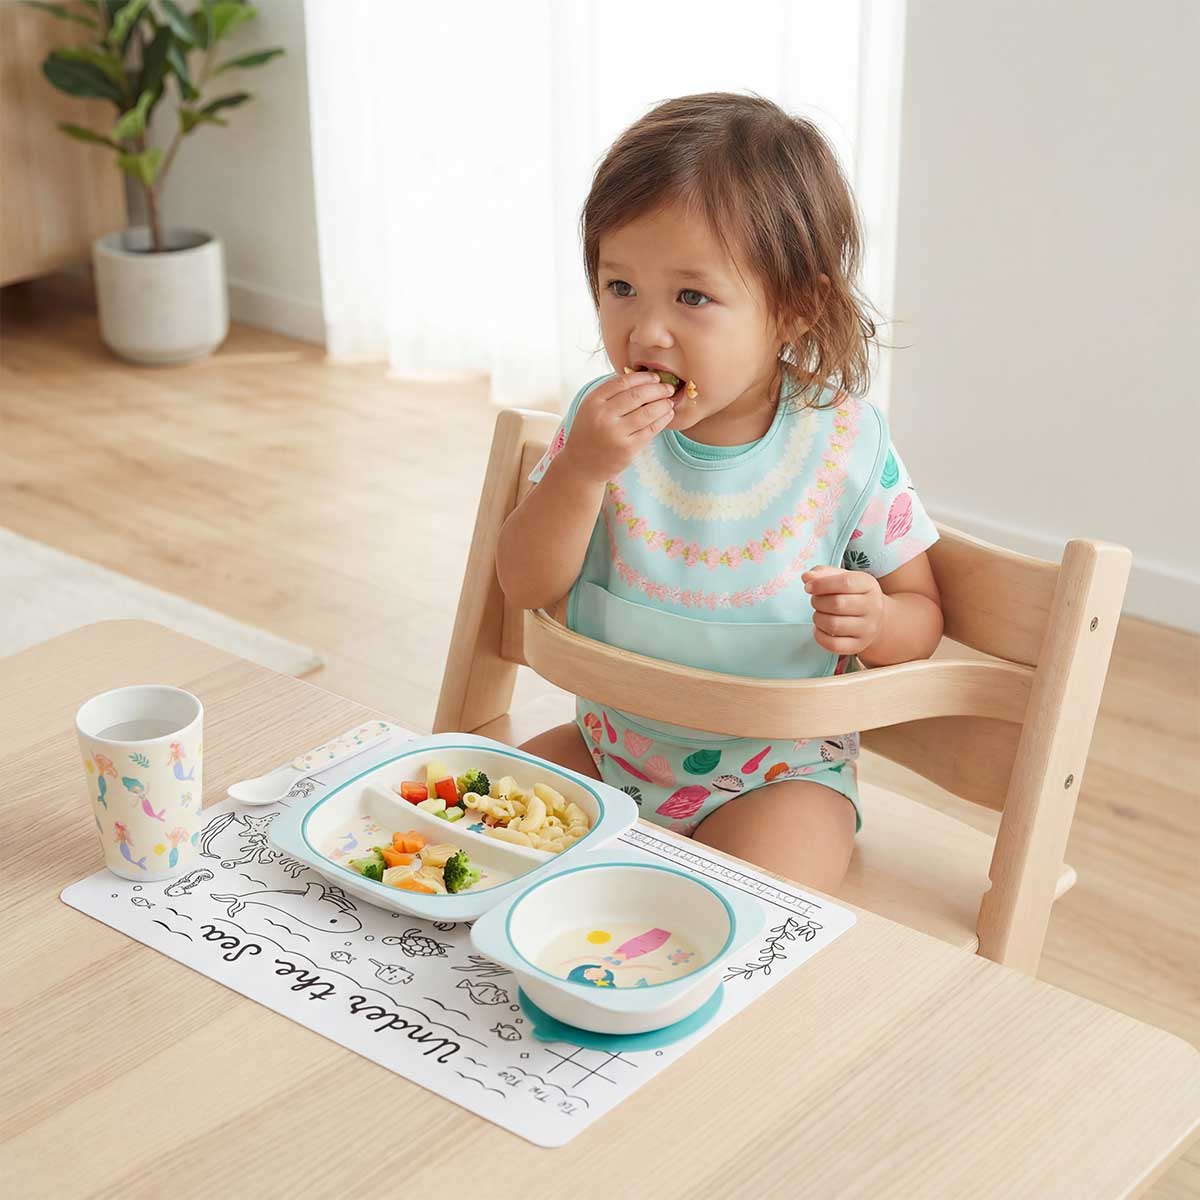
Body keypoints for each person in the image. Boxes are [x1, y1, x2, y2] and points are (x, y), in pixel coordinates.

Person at [495, 93, 943, 894]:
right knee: (480, 837)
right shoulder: (598, 430)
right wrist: (581, 472)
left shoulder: (845, 443)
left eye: (692, 298)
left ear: (795, 309)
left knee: (745, 910)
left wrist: (876, 621)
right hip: (608, 746)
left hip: (779, 777)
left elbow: (923, 616)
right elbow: (524, 584)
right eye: (620, 286)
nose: (646, 332)